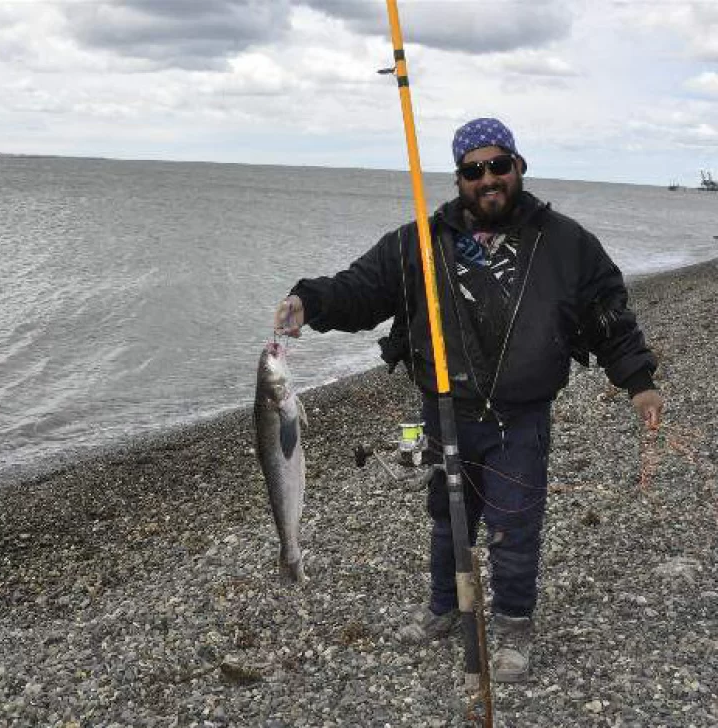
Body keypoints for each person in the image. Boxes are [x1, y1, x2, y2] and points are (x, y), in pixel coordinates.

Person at [273, 117, 663, 683]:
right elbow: (360, 289)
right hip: (445, 410)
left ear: (518, 167)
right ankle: (445, 607)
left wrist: (638, 380)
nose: (487, 179)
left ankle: (511, 625)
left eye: (497, 166)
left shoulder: (567, 243)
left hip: (521, 415)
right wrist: (308, 301)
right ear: (458, 179)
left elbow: (608, 314)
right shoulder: (418, 243)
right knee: (447, 518)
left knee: (514, 520)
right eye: (472, 170)